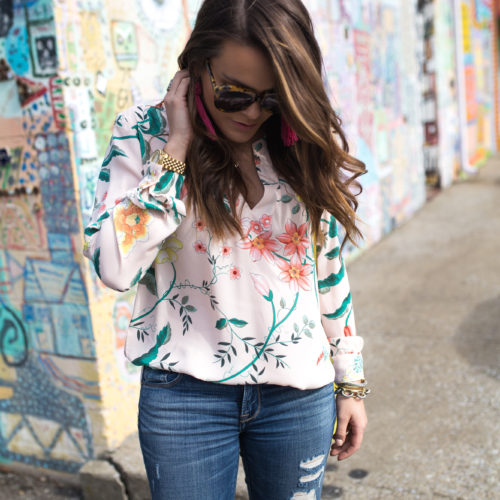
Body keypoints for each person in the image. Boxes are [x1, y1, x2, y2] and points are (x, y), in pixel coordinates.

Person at [83, 1, 369, 498]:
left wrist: (351, 380)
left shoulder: (297, 136)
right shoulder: (144, 133)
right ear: (197, 64)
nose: (255, 113)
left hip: (298, 393)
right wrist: (174, 152)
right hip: (184, 398)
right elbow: (113, 264)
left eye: (272, 98)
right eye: (234, 95)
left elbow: (324, 266)